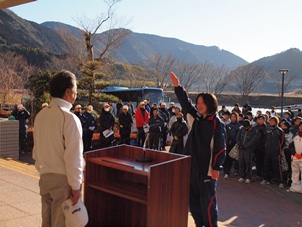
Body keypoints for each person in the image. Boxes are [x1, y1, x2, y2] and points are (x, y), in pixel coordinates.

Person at [170, 72, 226, 227]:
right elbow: (185, 103)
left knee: (207, 203)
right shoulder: (195, 118)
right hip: (191, 167)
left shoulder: (217, 123)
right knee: (193, 202)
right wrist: (178, 87)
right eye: (198, 102)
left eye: (203, 102)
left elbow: (221, 148)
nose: (199, 105)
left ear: (210, 104)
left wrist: (216, 167)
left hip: (206, 170)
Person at [33, 70, 85, 226]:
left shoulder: (41, 116)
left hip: (45, 177)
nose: (76, 93)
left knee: (47, 221)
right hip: (63, 181)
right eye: (75, 89)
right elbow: (74, 157)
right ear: (68, 92)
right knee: (60, 223)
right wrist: (76, 187)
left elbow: (36, 151)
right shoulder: (69, 119)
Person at [260, 116, 285, 189]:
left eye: (273, 121)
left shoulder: (279, 130)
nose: (271, 122)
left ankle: (280, 181)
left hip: (276, 151)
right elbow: (265, 139)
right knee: (266, 165)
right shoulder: (267, 130)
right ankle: (266, 179)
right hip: (268, 150)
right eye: (270, 121)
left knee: (277, 166)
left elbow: (282, 141)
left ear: (276, 122)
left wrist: (279, 149)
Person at [236, 119, 257, 184]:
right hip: (241, 148)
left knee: (248, 163)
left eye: (247, 127)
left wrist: (245, 146)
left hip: (248, 149)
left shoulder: (254, 130)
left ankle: (248, 177)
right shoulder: (241, 129)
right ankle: (242, 176)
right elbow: (238, 137)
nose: (245, 128)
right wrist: (239, 144)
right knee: (241, 162)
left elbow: (253, 141)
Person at [223, 112, 241, 179]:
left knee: (236, 159)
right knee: (227, 158)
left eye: (234, 117)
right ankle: (226, 172)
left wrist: (235, 140)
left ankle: (236, 170)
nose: (233, 118)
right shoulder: (228, 125)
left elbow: (239, 135)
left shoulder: (239, 126)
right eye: (232, 117)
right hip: (228, 143)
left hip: (236, 144)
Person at [289, 121, 302, 193]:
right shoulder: (295, 137)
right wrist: (294, 153)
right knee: (295, 172)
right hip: (295, 157)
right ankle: (294, 185)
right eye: (300, 126)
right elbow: (291, 146)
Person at [253, 114, 267, 179]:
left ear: (264, 120)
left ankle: (263, 175)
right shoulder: (255, 127)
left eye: (262, 119)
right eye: (259, 119)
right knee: (257, 161)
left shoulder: (266, 128)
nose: (260, 121)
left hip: (263, 147)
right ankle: (258, 174)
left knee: (263, 161)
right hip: (256, 146)